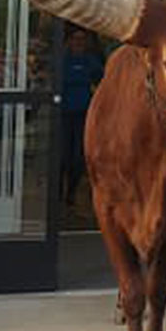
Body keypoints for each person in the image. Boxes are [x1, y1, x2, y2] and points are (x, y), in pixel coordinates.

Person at [60, 24, 103, 208]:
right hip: (62, 114)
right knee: (62, 155)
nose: (79, 43)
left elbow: (102, 79)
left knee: (78, 157)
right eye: (76, 40)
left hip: (83, 114)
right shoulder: (62, 61)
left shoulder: (90, 61)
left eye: (82, 40)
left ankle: (71, 193)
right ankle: (56, 194)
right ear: (68, 42)